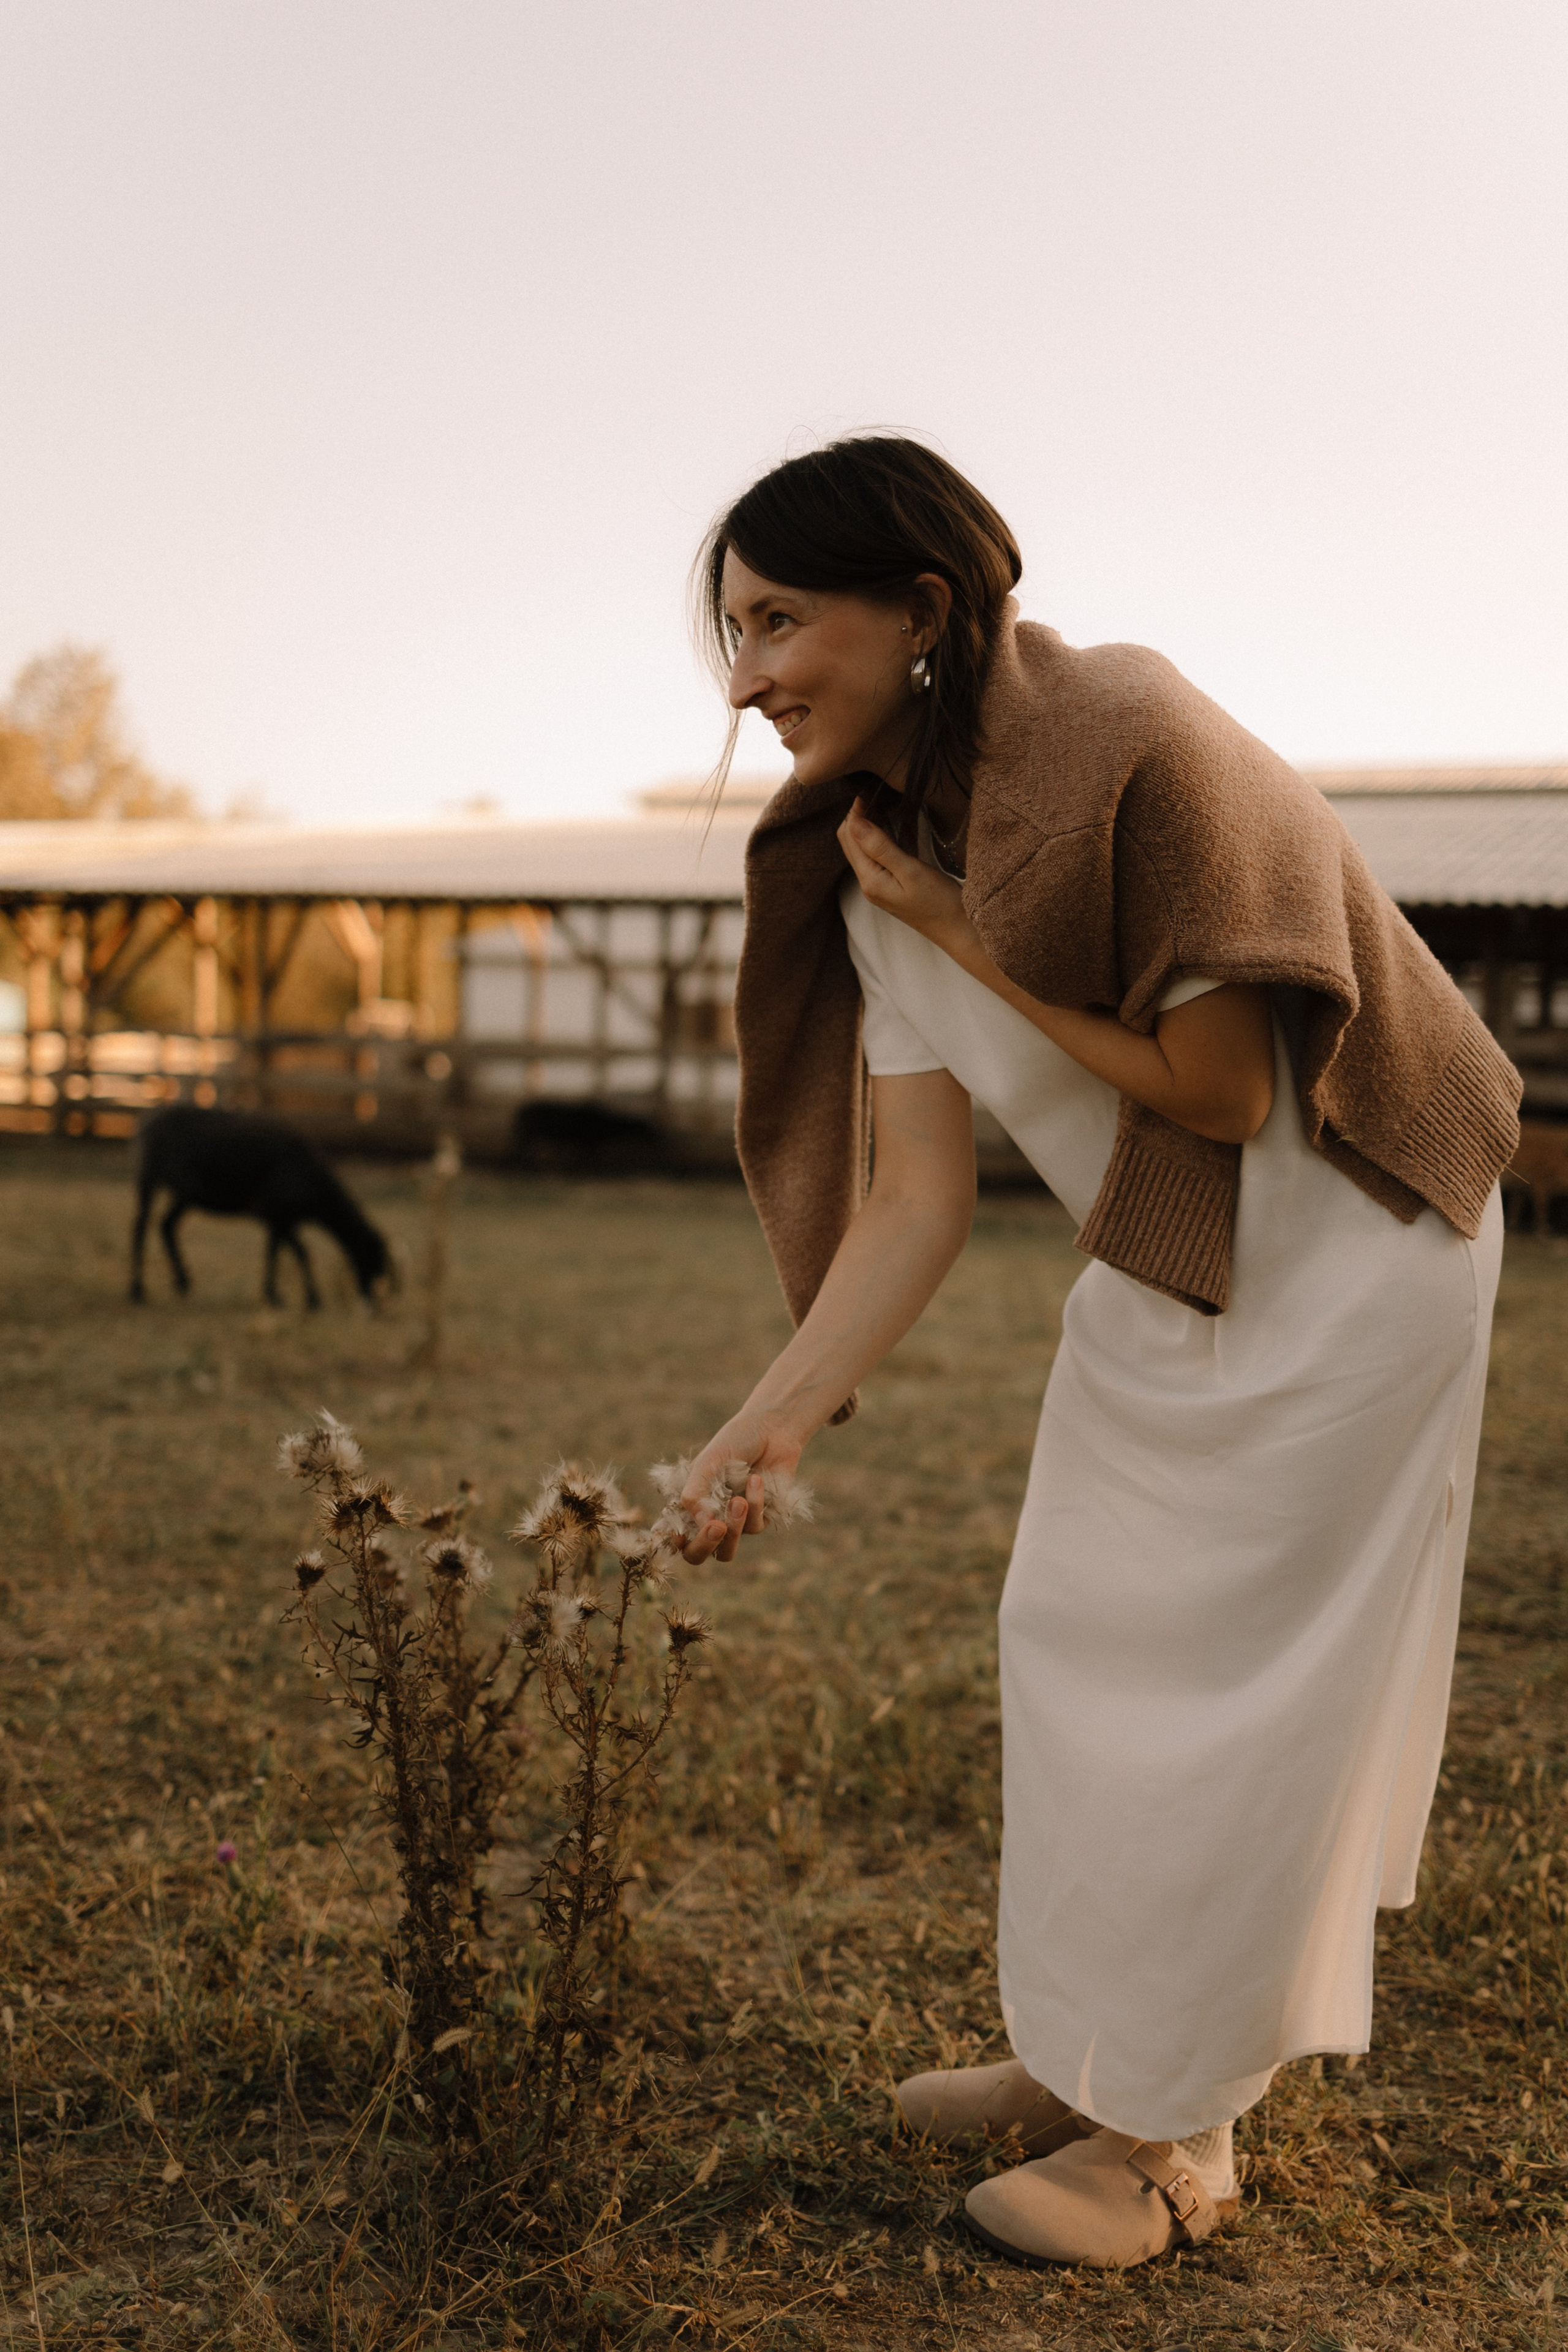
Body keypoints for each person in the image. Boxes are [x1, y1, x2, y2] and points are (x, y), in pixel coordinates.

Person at [672, 437, 1518, 2270]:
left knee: (1240, 1692)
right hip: (1171, 1256)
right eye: (731, 632)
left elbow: (1218, 1088)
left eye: (779, 620)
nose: (746, 677)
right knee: (1071, 1631)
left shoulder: (1128, 736)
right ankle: (1091, 2051)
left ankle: (1173, 2138)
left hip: (1359, 1243)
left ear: (923, 609)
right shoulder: (872, 864)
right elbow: (912, 1202)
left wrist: (961, 929)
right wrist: (766, 1425)